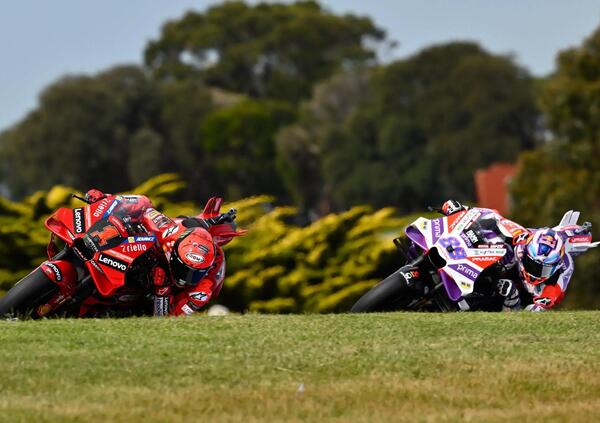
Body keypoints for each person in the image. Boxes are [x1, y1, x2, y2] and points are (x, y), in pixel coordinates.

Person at [84, 189, 244, 316]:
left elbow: (169, 321)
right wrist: (106, 199)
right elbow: (146, 208)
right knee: (143, 201)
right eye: (183, 270)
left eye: (192, 274)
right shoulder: (175, 230)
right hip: (146, 255)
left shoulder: (203, 288)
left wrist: (163, 291)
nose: (184, 278)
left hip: (161, 295)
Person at [440, 200, 597, 312]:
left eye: (542, 269)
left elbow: (552, 294)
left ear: (555, 264)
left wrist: (539, 306)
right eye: (532, 263)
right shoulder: (523, 239)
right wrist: (464, 211)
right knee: (501, 254)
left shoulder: (564, 267)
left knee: (509, 289)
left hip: (520, 298)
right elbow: (494, 217)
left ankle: (468, 304)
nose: (535, 271)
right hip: (504, 269)